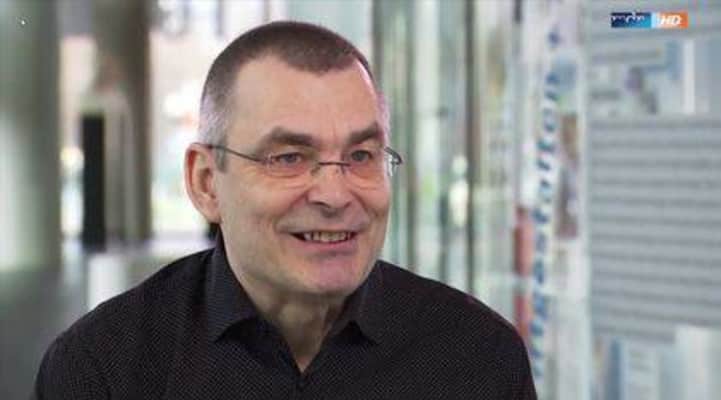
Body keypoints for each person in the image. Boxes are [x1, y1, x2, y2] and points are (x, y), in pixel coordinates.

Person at [34, 21, 536, 399]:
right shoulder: (104, 369)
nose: (335, 195)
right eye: (289, 158)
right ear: (206, 182)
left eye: (361, 156)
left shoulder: (477, 358)